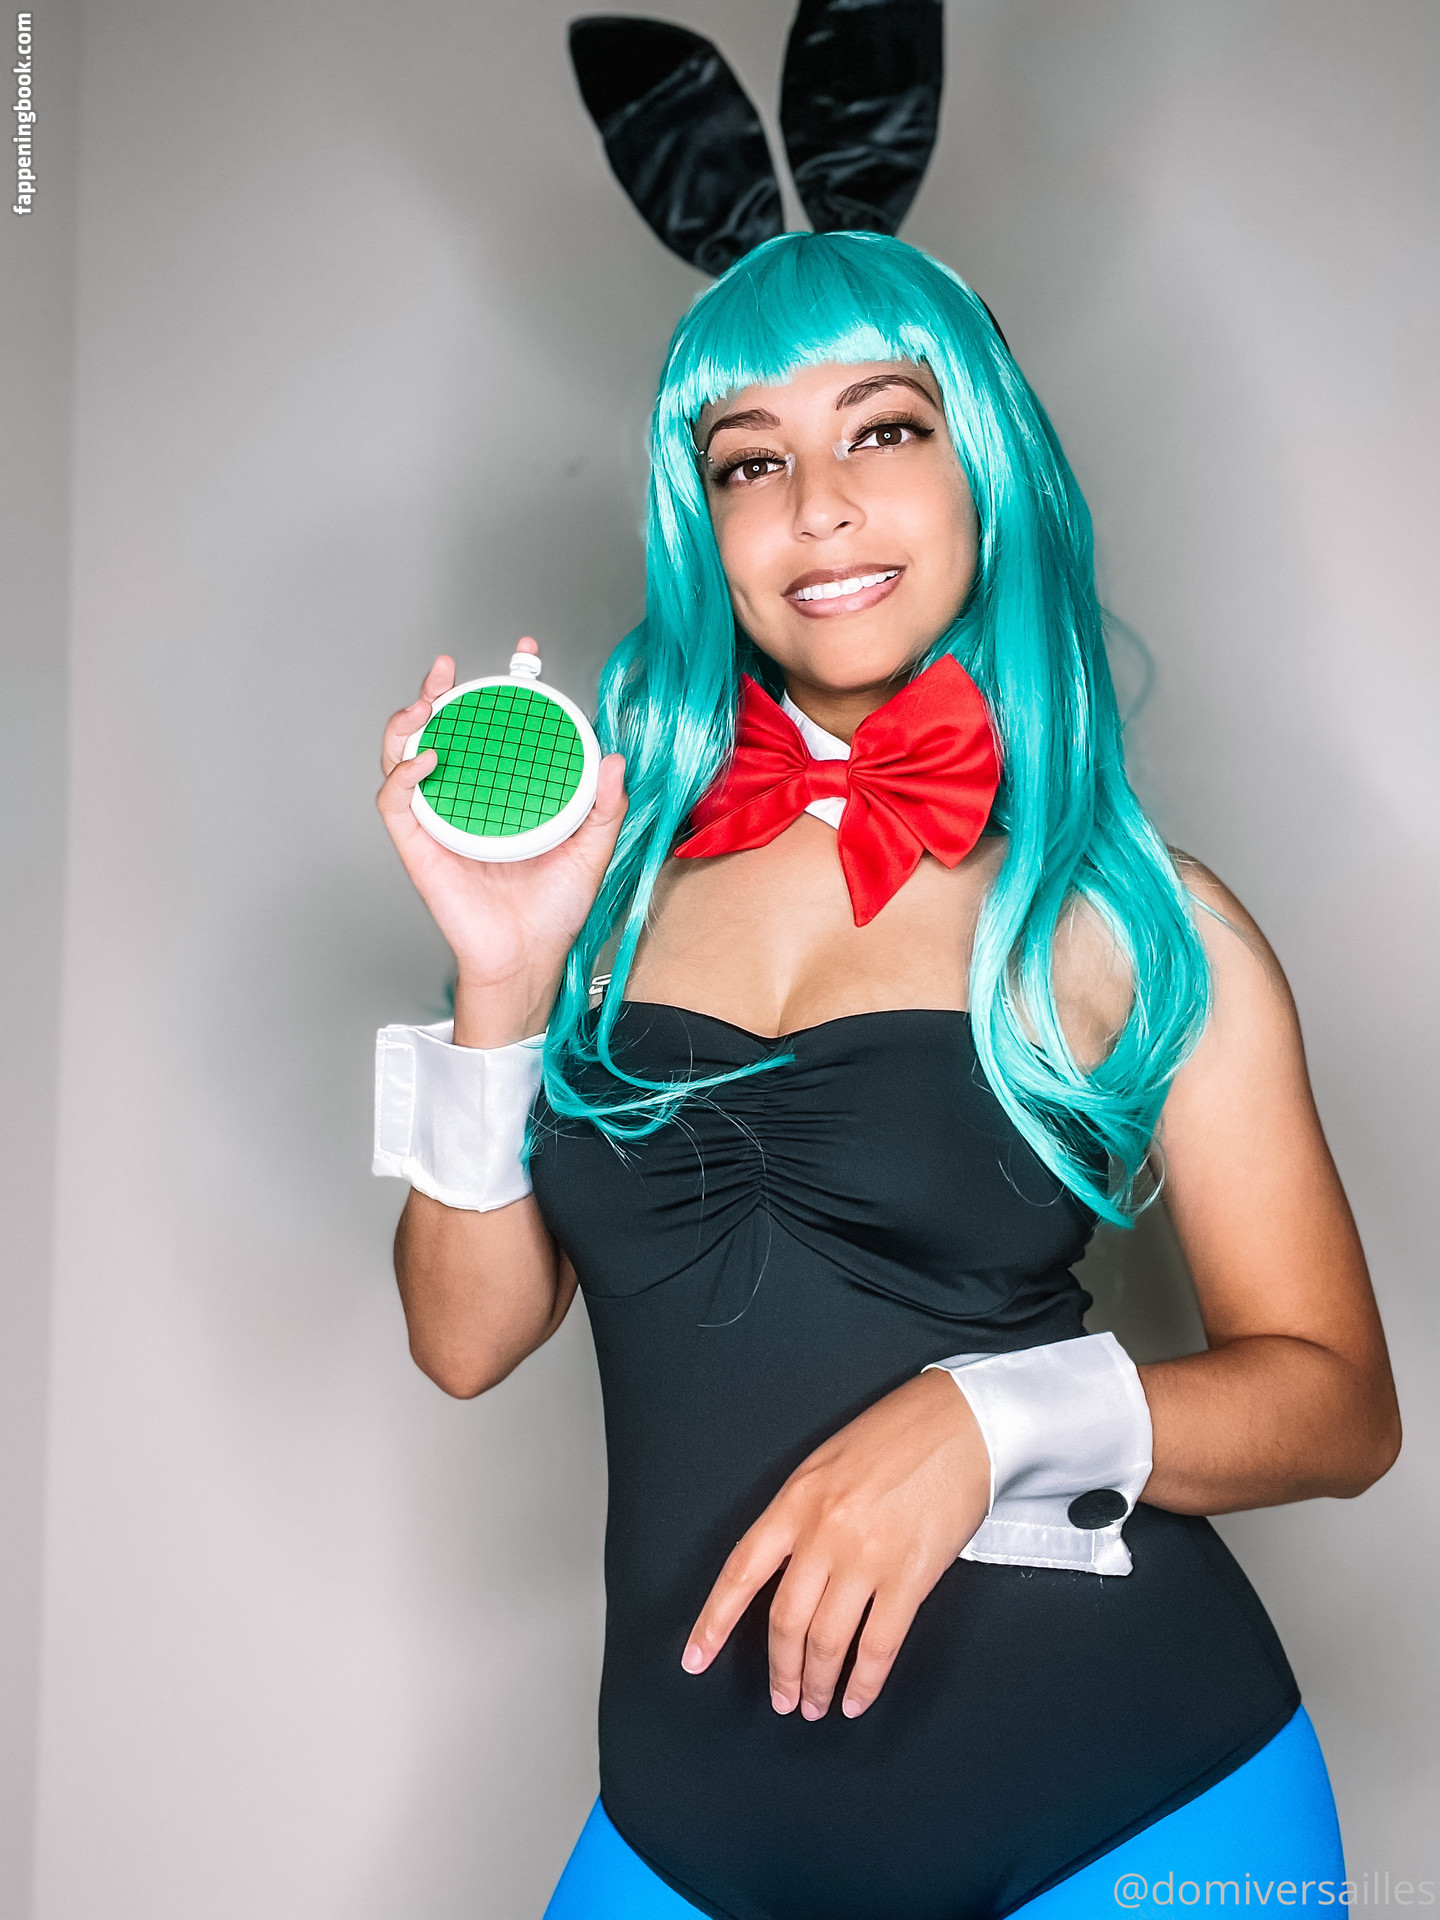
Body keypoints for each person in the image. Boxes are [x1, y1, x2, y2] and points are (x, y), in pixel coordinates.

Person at [373, 231, 1400, 1920]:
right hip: (690, 1834)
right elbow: (463, 1340)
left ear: (984, 466)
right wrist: (501, 978)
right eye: (751, 461)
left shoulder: (1141, 922)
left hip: (1140, 1815)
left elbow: (1341, 1409)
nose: (819, 507)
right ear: (702, 526)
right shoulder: (592, 894)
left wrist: (989, 1420)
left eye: (885, 429)